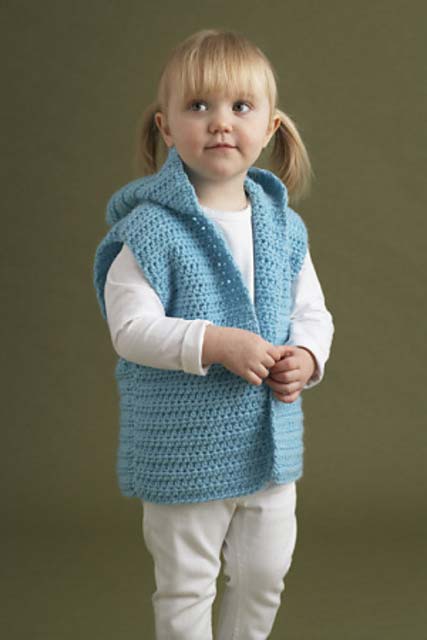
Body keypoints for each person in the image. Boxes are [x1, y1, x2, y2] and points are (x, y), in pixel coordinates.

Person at [93, 28, 334, 640]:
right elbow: (131, 328)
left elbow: (312, 312)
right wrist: (217, 343)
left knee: (264, 577)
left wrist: (308, 355)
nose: (221, 122)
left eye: (241, 106)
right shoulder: (150, 230)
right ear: (167, 127)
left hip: (270, 451)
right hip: (185, 451)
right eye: (199, 106)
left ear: (270, 127)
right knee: (186, 585)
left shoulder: (284, 228)